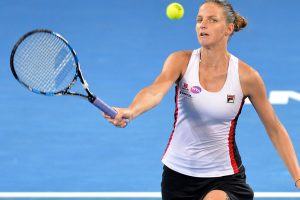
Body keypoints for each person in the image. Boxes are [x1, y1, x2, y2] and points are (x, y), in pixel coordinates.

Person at [104, 0, 300, 199]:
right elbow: (155, 91)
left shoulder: (247, 77)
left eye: (212, 20)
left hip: (224, 177)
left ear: (228, 29)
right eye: (199, 20)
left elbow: (274, 128)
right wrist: (132, 110)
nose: (203, 25)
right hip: (177, 176)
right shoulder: (180, 61)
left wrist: (298, 178)